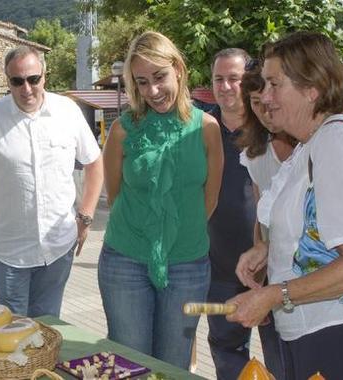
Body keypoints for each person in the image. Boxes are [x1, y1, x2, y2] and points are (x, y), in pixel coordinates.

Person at [226, 31, 343, 379]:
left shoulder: (336, 141)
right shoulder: (311, 145)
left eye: (274, 84)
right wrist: (269, 251)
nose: (265, 97)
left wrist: (274, 295)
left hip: (342, 338)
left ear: (312, 88)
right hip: (314, 333)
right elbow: (320, 230)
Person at [0, 46, 103, 318]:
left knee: (49, 329)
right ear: (7, 81)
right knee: (12, 334)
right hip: (12, 253)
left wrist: (86, 216)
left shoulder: (67, 112)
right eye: (17, 81)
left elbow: (94, 162)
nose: (26, 88)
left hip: (58, 248)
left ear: (44, 76)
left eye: (33, 79)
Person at [99, 31, 223, 369]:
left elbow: (207, 202)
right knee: (129, 365)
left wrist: (174, 234)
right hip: (125, 261)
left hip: (188, 264)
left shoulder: (207, 128)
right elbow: (115, 194)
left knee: (173, 366)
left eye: (159, 77)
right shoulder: (123, 130)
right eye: (141, 82)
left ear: (178, 70)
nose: (152, 91)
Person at [204, 47, 272, 379]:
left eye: (234, 78)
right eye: (219, 79)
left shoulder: (271, 126)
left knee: (281, 354)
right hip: (220, 269)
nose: (226, 86)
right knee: (227, 355)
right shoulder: (201, 129)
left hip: (273, 268)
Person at [234, 59, 296, 379]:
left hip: (318, 282)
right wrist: (260, 253)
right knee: (278, 363)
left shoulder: (314, 142)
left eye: (267, 99)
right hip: (276, 279)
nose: (264, 110)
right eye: (255, 103)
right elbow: (263, 214)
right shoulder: (256, 153)